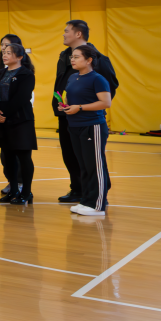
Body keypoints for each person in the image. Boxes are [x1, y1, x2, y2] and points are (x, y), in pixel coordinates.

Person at [52, 20, 119, 205]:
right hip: (68, 115)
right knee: (72, 155)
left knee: (93, 159)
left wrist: (87, 106)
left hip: (88, 118)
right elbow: (63, 85)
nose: (63, 34)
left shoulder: (98, 59)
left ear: (78, 34)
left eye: (66, 31)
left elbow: (108, 89)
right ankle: (79, 189)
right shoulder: (64, 57)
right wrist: (64, 105)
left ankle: (98, 194)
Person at [60, 45, 113, 216]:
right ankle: (86, 201)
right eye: (72, 57)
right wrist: (65, 106)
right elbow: (70, 98)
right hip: (74, 126)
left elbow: (106, 102)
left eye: (77, 57)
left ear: (89, 60)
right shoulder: (72, 77)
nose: (72, 59)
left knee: (94, 166)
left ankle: (98, 205)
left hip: (92, 126)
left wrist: (80, 107)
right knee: (83, 165)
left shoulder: (98, 79)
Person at [0, 43, 38, 205]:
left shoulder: (26, 74)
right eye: (4, 52)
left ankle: (26, 192)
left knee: (24, 158)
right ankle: (14, 190)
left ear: (20, 57)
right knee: (7, 158)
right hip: (2, 120)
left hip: (20, 121)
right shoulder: (0, 73)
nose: (4, 55)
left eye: (9, 52)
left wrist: (4, 113)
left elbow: (22, 98)